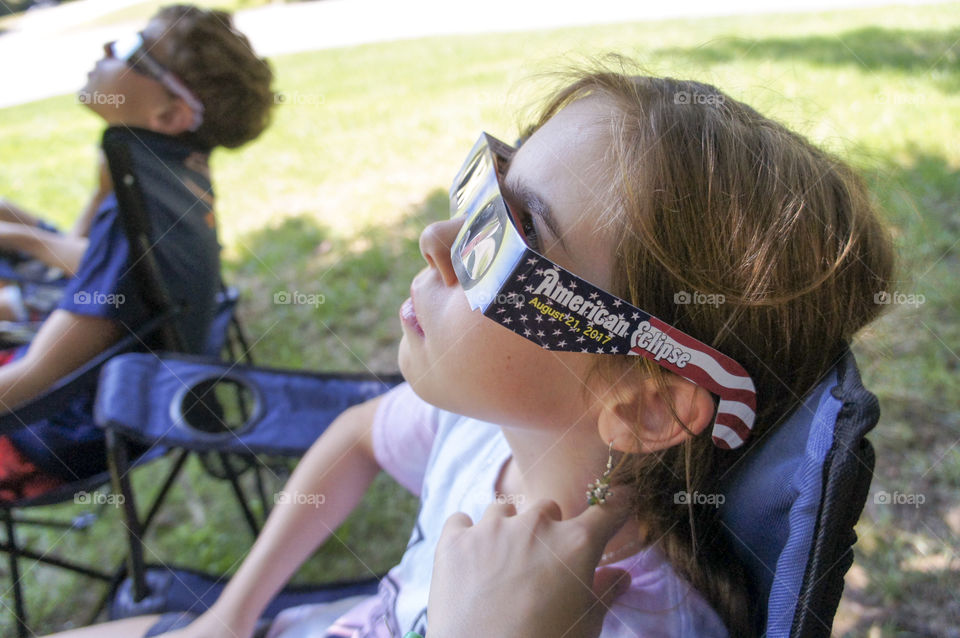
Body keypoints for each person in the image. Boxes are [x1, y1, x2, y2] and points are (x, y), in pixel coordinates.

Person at [44, 66, 893, 638]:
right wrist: (230, 616)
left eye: (511, 238)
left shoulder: (635, 620)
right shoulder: (491, 433)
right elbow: (356, 439)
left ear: (645, 402)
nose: (438, 237)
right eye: (486, 181)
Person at [0, 4, 274, 501]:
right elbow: (104, 275)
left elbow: (38, 378)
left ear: (168, 114)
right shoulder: (164, 176)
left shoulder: (139, 209)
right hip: (75, 409)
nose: (107, 48)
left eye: (131, 49)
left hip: (48, 439)